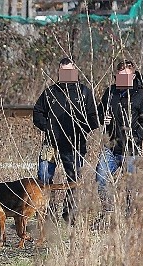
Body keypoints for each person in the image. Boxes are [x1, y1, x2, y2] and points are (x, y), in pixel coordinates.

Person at [32, 57, 99, 225]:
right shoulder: (50, 92)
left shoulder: (84, 92)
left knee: (73, 178)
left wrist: (81, 129)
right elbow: (37, 113)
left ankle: (69, 213)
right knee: (43, 176)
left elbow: (94, 117)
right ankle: (48, 211)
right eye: (63, 71)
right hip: (51, 144)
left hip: (75, 144)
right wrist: (47, 127)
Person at [95, 59, 143, 221]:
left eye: (126, 77)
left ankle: (130, 217)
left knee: (131, 186)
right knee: (100, 178)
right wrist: (102, 118)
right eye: (119, 76)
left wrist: (135, 138)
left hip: (131, 150)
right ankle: (107, 214)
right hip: (110, 147)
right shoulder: (110, 92)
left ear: (133, 76)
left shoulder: (142, 96)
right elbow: (99, 112)